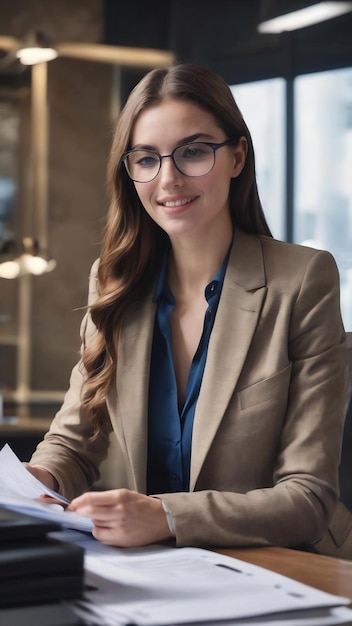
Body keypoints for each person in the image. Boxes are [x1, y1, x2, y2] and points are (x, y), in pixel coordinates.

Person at [26, 62, 352, 557]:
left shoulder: (302, 281)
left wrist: (166, 516)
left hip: (295, 569)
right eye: (146, 159)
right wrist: (35, 480)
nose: (169, 179)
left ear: (237, 156)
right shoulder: (115, 283)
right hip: (167, 573)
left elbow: (308, 498)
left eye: (194, 152)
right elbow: (74, 441)